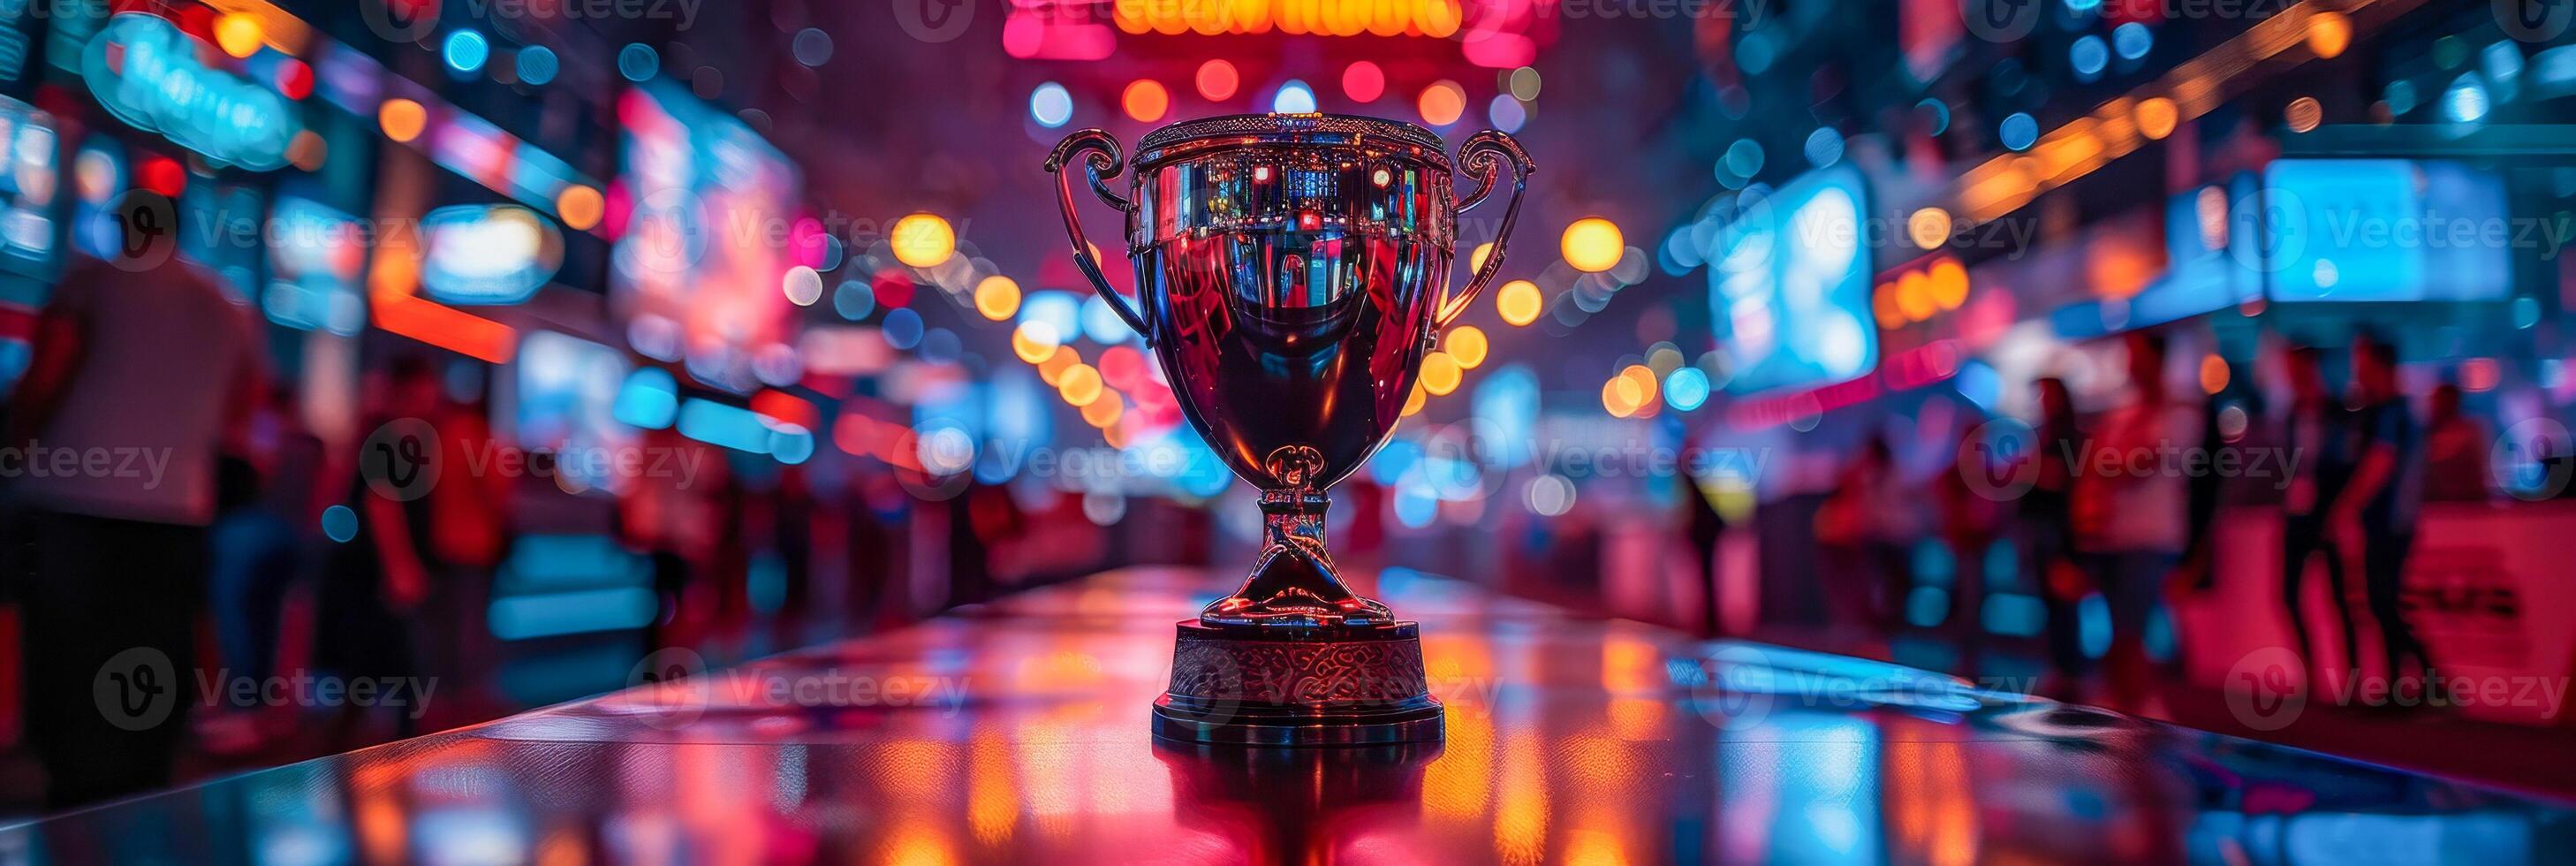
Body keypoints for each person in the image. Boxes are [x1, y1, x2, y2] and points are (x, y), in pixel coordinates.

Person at [5, 247, 263, 806]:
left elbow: (43, 381)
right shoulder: (226, 305)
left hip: (71, 499)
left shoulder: (90, 281)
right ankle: (138, 808)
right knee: (151, 672)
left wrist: (16, 450)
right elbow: (241, 410)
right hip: (176, 510)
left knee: (67, 670)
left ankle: (69, 810)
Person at [2071, 331, 2201, 711]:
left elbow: (2141, 464)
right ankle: (2131, 706)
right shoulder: (2124, 414)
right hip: (2115, 536)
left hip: (2151, 537)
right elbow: (2098, 468)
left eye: (2135, 354)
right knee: (2120, 633)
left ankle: (2145, 712)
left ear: (2156, 359)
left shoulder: (2179, 410)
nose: (2129, 363)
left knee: (2132, 633)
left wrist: (2112, 466)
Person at [2330, 332, 2434, 697]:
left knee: (2383, 602)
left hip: (2392, 522)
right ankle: (2399, 687)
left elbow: (2381, 463)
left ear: (2378, 364)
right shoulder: (2381, 411)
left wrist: (2346, 505)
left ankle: (2429, 681)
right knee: (2381, 602)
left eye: (2361, 361)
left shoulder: (2393, 411)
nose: (2356, 370)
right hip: (2384, 522)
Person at [2276, 344, 2359, 689]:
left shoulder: (2337, 412)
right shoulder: (2294, 413)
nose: (2292, 375)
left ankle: (2350, 680)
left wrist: (2338, 510)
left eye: (2297, 367)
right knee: (2288, 595)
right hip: (2297, 514)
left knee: (2339, 599)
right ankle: (2311, 676)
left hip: (2326, 514)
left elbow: (2345, 464)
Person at [2019, 377, 2088, 698]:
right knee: (2051, 601)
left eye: (2047, 394)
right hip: (2043, 529)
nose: (2043, 401)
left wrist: (2036, 472)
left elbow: (2070, 483)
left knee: (2062, 600)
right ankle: (2062, 668)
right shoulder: (2044, 435)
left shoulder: (2067, 437)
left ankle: (2070, 670)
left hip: (2059, 531)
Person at [2421, 383, 2491, 502]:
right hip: (2437, 503)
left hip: (2467, 502)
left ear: (2453, 403)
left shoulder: (2468, 432)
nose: (2434, 405)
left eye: (2440, 401)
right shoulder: (2426, 433)